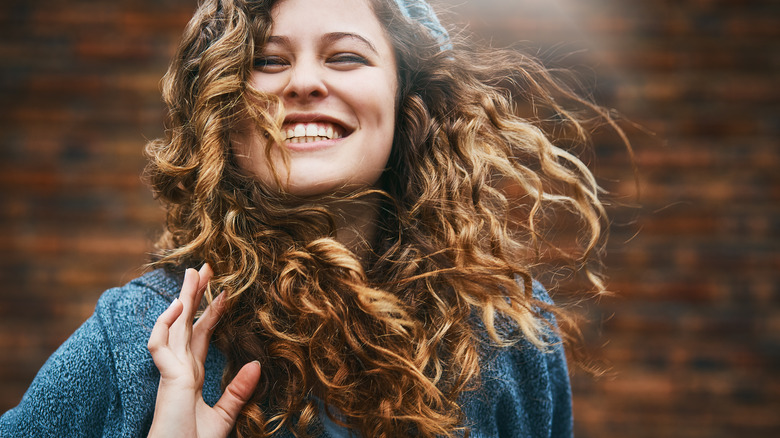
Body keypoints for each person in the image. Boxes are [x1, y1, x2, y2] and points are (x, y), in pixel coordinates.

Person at [0, 0, 625, 436]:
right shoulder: (140, 341)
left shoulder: (510, 332)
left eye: (346, 57)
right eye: (268, 61)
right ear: (226, 110)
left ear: (410, 103)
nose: (302, 81)